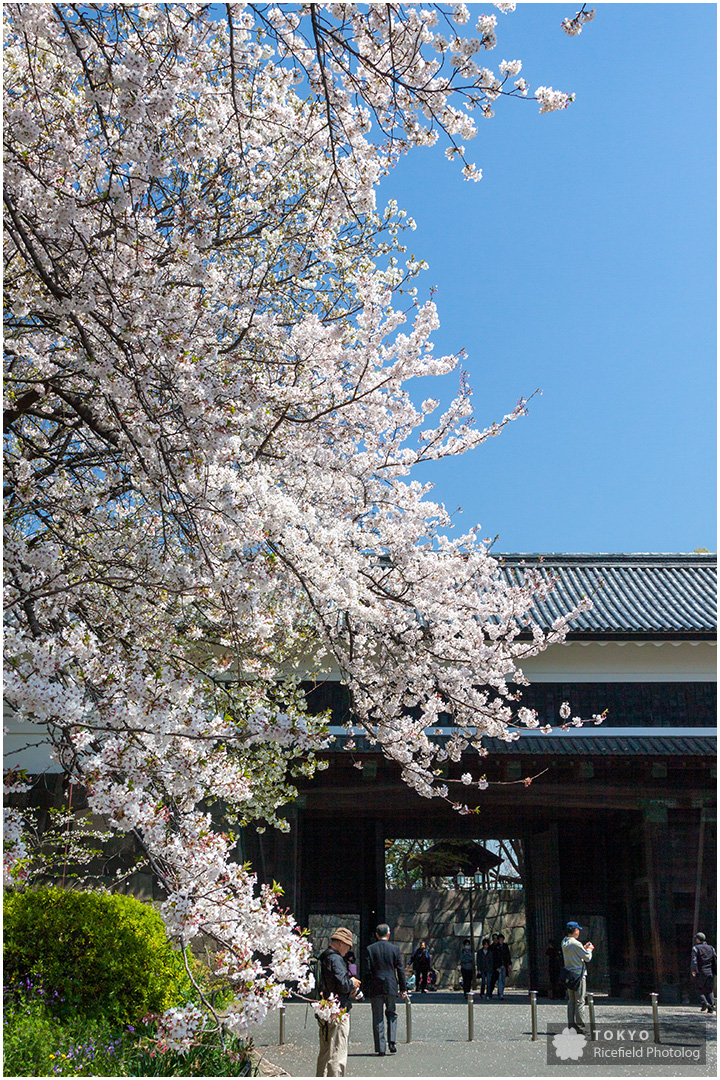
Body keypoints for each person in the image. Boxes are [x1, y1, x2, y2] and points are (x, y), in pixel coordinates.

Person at [316, 927, 361, 1077]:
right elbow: (343, 984)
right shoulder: (336, 959)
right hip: (338, 1012)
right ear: (341, 943)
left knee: (325, 1052)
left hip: (324, 1009)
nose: (348, 949)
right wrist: (352, 983)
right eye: (348, 946)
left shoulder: (323, 957)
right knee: (337, 1053)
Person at [365, 923, 407, 1056]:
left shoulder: (370, 949)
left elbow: (368, 970)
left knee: (377, 1017)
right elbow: (400, 970)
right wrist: (403, 988)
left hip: (376, 986)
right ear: (388, 934)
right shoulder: (394, 949)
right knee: (391, 1013)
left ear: (377, 934)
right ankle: (392, 1042)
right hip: (391, 985)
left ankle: (381, 1048)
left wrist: (366, 988)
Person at [561, 921, 594, 1034]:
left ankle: (571, 1025)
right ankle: (581, 1027)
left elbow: (575, 953)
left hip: (569, 974)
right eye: (578, 929)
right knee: (580, 1001)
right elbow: (587, 958)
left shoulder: (564, 941)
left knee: (571, 1001)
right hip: (578, 975)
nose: (579, 931)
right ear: (575, 931)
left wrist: (582, 948)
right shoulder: (576, 943)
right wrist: (589, 949)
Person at [691, 932, 717, 1014]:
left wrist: (693, 970)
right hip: (710, 972)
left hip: (700, 972)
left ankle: (705, 1003)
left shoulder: (696, 948)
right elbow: (715, 960)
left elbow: (694, 960)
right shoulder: (711, 948)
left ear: (698, 939)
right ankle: (711, 1008)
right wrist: (715, 971)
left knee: (699, 988)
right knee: (709, 990)